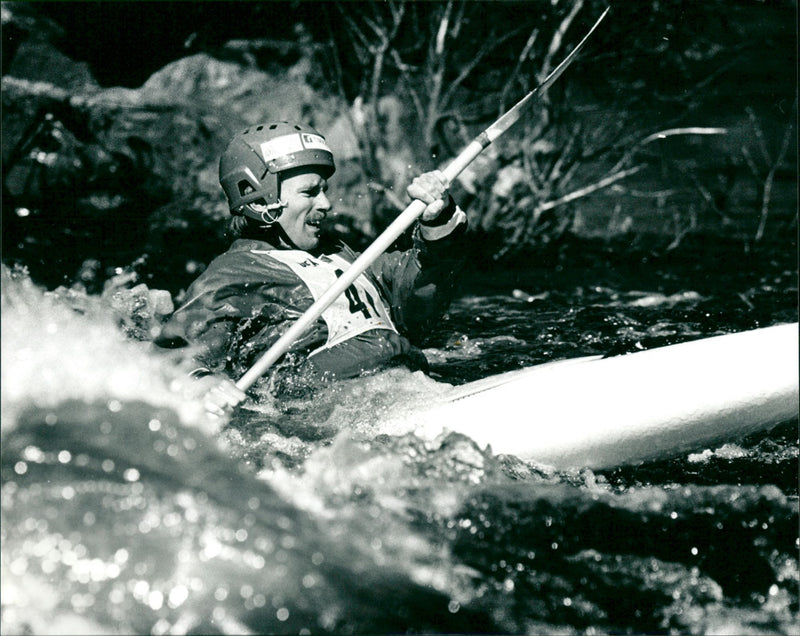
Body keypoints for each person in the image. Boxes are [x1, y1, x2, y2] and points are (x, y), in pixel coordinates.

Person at [157, 121, 468, 414]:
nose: (326, 204)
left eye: (324, 190)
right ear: (259, 202)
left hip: (411, 392)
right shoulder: (234, 273)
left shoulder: (343, 256)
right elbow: (173, 351)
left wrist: (436, 222)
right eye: (309, 192)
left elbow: (419, 300)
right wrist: (203, 382)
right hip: (328, 417)